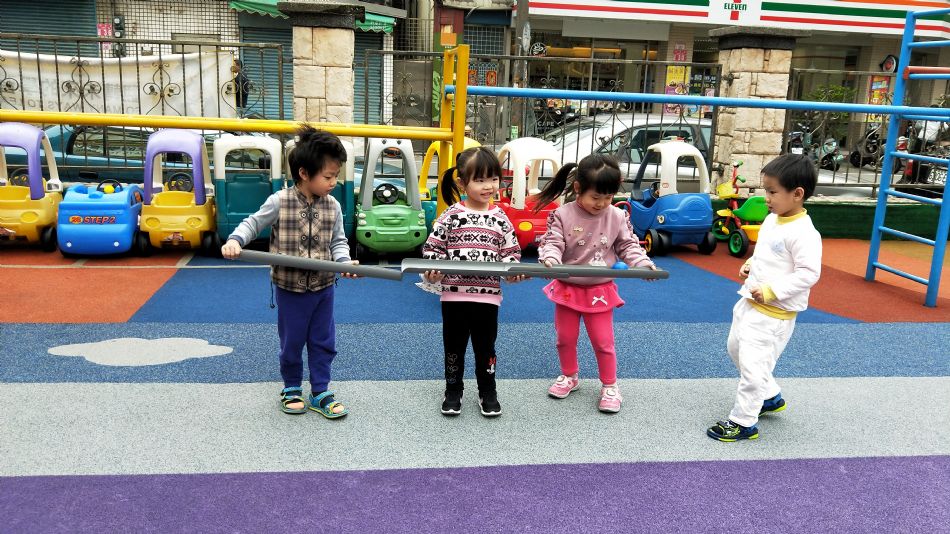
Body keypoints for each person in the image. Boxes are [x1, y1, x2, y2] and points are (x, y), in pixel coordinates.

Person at [221, 126, 357, 417]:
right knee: (292, 341)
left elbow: (338, 241)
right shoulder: (279, 201)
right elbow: (252, 223)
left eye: (336, 176)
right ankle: (292, 387)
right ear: (304, 173)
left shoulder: (333, 206)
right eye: (329, 177)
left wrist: (344, 263)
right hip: (290, 290)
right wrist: (235, 240)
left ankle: (320, 391)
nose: (334, 183)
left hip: (323, 289)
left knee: (323, 341)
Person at [707, 154, 821, 442]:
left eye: (772, 192)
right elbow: (766, 253)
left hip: (773, 315)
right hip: (750, 302)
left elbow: (809, 274)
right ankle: (769, 396)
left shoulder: (805, 234)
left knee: (754, 367)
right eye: (765, 190)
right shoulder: (772, 220)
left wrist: (772, 290)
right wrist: (751, 264)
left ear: (797, 194)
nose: (766, 198)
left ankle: (743, 422)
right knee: (735, 348)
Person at [535, 153, 657, 413]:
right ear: (578, 188)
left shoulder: (617, 216)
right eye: (596, 197)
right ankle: (569, 375)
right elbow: (553, 242)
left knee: (603, 341)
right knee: (565, 338)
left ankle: (610, 385)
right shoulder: (562, 214)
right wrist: (550, 259)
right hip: (568, 287)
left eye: (608, 197)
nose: (601, 204)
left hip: (599, 289)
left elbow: (627, 245)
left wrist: (642, 263)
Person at [421, 146, 523, 417]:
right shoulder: (450, 216)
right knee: (453, 347)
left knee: (485, 347)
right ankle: (453, 390)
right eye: (480, 180)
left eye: (493, 179)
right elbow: (433, 249)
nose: (488, 186)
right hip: (454, 295)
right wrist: (433, 269)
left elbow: (511, 253)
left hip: (487, 296)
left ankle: (487, 390)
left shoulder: (501, 218)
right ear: (462, 183)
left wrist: (513, 271)